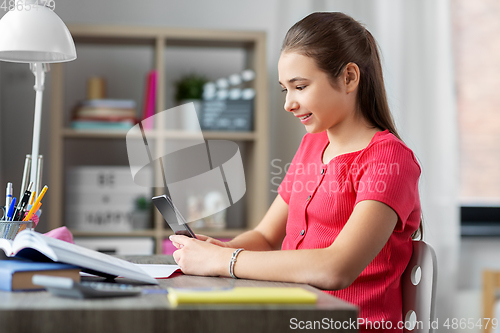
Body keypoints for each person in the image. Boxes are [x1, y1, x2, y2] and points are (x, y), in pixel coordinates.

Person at [170, 12, 421, 332]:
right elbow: (265, 236)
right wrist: (220, 250)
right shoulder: (311, 146)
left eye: (300, 86)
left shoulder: (390, 161)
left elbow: (336, 268)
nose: (289, 103)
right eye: (284, 90)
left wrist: (224, 263)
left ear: (349, 78)